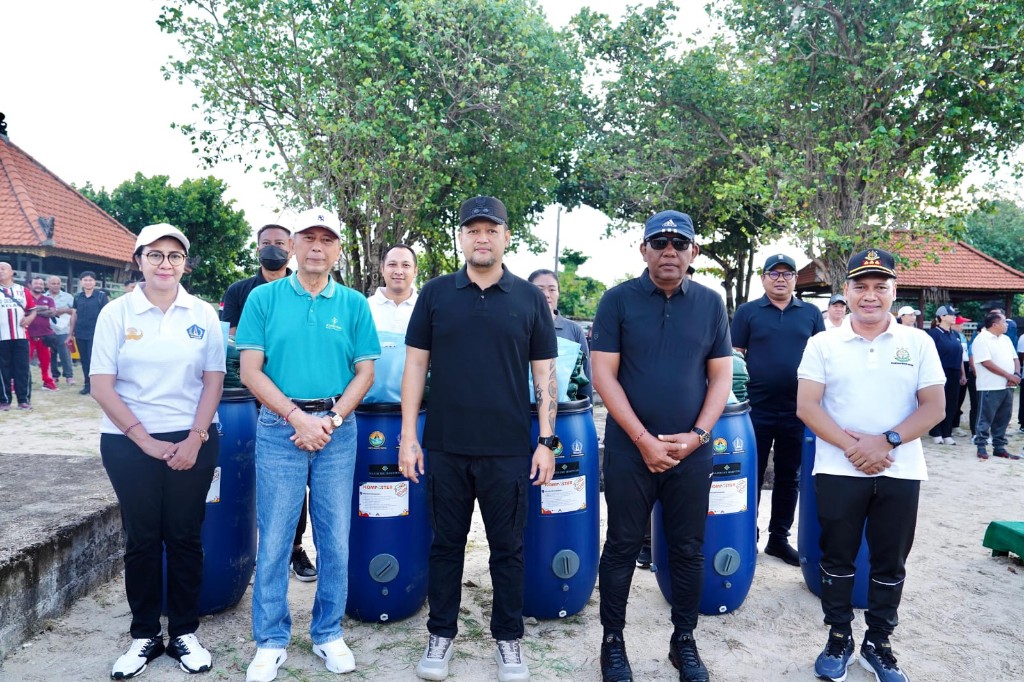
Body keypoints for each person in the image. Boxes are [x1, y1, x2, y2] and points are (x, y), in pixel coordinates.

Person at [398, 196, 558, 682]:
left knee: (507, 549)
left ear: (507, 236)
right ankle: (441, 634)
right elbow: (415, 367)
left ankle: (508, 640)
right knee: (445, 545)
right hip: (445, 446)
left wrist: (546, 441)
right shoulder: (436, 293)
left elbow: (545, 375)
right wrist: (410, 436)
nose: (482, 237)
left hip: (509, 450)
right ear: (461, 238)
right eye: (473, 230)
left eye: (491, 229)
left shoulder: (530, 299)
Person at [237, 208, 379, 682]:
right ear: (293, 245)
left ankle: (327, 633)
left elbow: (365, 373)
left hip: (337, 428)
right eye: (308, 238)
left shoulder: (354, 304)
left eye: (327, 239)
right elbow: (250, 370)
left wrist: (332, 419)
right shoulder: (264, 298)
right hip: (281, 425)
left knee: (334, 535)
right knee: (276, 534)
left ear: (338, 249)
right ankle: (271, 639)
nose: (317, 246)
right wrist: (297, 417)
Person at [591, 210, 732, 682]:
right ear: (643, 249)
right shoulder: (618, 301)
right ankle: (613, 643)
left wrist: (698, 437)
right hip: (632, 450)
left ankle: (684, 642)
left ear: (693, 252)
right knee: (622, 545)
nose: (669, 251)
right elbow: (603, 376)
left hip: (691, 452)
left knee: (689, 549)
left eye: (679, 243)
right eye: (660, 242)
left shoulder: (712, 304)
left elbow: (720, 377)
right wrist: (643, 440)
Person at [796, 248, 945, 682]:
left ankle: (879, 643)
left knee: (890, 561)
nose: (870, 295)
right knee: (837, 557)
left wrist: (887, 441)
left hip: (901, 469)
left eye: (880, 287)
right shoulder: (822, 343)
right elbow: (807, 405)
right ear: (845, 291)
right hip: (839, 468)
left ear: (894, 292)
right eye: (860, 286)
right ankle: (838, 638)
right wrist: (854, 447)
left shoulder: (918, 342)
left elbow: (934, 406)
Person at [90, 223, 224, 678]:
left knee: (185, 537)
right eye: (155, 255)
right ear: (139, 260)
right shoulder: (116, 313)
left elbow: (214, 380)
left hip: (194, 440)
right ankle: (144, 634)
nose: (165, 264)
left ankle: (185, 631)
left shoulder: (202, 313)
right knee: (142, 539)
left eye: (174, 256)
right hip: (128, 442)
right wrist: (143, 438)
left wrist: (195, 437)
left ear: (185, 263)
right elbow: (101, 385)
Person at [222, 223, 318, 584]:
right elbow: (233, 341)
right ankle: (255, 550)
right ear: (257, 248)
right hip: (250, 400)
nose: (273, 248)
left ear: (291, 248)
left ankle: (294, 549)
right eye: (267, 243)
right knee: (256, 477)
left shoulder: (305, 288)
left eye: (280, 243)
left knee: (300, 480)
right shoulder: (241, 291)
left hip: (297, 400)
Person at [732, 254, 825, 566]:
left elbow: (823, 359)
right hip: (754, 410)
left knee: (789, 477)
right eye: (774, 273)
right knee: (751, 475)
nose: (781, 279)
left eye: (787, 274)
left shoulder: (811, 313)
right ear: (763, 278)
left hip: (799, 411)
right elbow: (734, 359)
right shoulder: (747, 312)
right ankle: (747, 537)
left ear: (795, 279)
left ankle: (778, 539)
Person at [528, 268, 593, 402]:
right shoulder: (519, 328)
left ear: (558, 293)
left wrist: (587, 413)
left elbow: (585, 376)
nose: (546, 294)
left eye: (552, 289)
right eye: (540, 289)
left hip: (565, 413)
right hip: (524, 413)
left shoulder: (574, 330)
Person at [970, 310, 1021, 460]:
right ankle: (981, 446)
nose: (1007, 324)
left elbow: (1015, 359)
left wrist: (1016, 375)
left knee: (1004, 417)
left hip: (1008, 385)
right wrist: (1008, 375)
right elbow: (986, 362)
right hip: (990, 385)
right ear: (995, 324)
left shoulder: (1005, 339)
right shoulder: (981, 339)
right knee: (985, 417)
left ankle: (999, 447)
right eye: (1004, 322)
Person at [926, 305, 967, 446]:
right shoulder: (933, 334)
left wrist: (962, 373)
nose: (955, 316)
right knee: (938, 403)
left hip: (954, 372)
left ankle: (947, 432)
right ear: (942, 316)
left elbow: (960, 355)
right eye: (951, 314)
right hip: (939, 372)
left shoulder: (955, 335)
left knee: (952, 403)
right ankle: (936, 432)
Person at [0, 261, 37, 410]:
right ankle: (4, 401)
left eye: (3, 269)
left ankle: (24, 400)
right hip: (2, 337)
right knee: (3, 370)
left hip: (21, 336)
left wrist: (29, 318)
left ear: (11, 272)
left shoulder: (23, 290)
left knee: (22, 368)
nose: (0, 271)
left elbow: (33, 310)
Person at [69, 270, 110, 395]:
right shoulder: (77, 297)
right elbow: (74, 315)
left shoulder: (101, 296)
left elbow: (107, 315)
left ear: (94, 282)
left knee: (95, 360)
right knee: (84, 360)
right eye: (85, 280)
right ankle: (87, 385)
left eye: (90, 280)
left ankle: (98, 386)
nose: (88, 282)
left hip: (96, 334)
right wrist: (70, 333)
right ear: (81, 282)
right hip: (80, 333)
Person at [368, 244, 419, 333]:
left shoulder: (425, 308)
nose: (399, 271)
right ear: (382, 269)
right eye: (392, 264)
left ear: (415, 271)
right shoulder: (366, 307)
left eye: (406, 265)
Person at [27, 277, 59, 392]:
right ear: (30, 285)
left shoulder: (48, 299)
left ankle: (48, 383)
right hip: (27, 334)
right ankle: (17, 384)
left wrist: (33, 310)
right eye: (36, 283)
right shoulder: (25, 297)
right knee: (24, 361)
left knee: (46, 362)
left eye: (41, 284)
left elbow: (52, 312)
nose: (39, 286)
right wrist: (43, 309)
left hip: (45, 335)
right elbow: (24, 311)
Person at [46, 275, 75, 385]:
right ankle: (54, 375)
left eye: (58, 283)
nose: (56, 285)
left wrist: (65, 310)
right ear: (48, 285)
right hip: (48, 330)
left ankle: (69, 376)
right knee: (51, 353)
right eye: (53, 283)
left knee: (64, 353)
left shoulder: (68, 297)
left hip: (63, 330)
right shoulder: (44, 297)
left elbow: (75, 311)